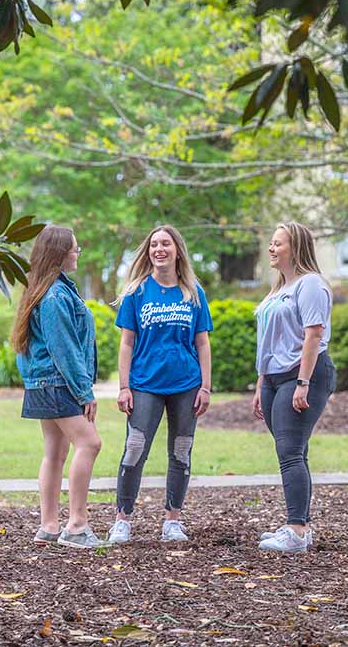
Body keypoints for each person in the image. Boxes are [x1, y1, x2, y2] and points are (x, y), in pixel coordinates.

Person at [107, 225, 213, 545]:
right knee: (134, 448)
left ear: (177, 250)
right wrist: (124, 386)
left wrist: (205, 386)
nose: (159, 249)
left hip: (186, 384)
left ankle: (172, 521)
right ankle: (122, 520)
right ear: (148, 251)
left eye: (165, 243)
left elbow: (203, 343)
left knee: (181, 450)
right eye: (154, 244)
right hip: (144, 384)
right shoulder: (137, 292)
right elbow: (126, 343)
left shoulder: (193, 292)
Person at [11, 224, 103, 549]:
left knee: (55, 453)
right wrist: (84, 392)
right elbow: (64, 349)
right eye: (74, 248)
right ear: (60, 253)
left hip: (43, 384)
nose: (78, 253)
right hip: (57, 384)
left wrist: (34, 383)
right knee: (89, 443)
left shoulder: (42, 290)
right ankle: (77, 525)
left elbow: (27, 351)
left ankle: (49, 527)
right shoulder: (55, 296)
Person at [252, 222, 336, 553]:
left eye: (278, 244)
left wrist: (303, 382)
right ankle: (300, 524)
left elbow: (313, 335)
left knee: (289, 452)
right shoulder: (278, 289)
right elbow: (267, 342)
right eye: (271, 244)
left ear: (295, 247)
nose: (271, 249)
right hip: (274, 378)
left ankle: (297, 530)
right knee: (294, 451)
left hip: (303, 375)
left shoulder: (311, 285)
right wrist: (261, 383)